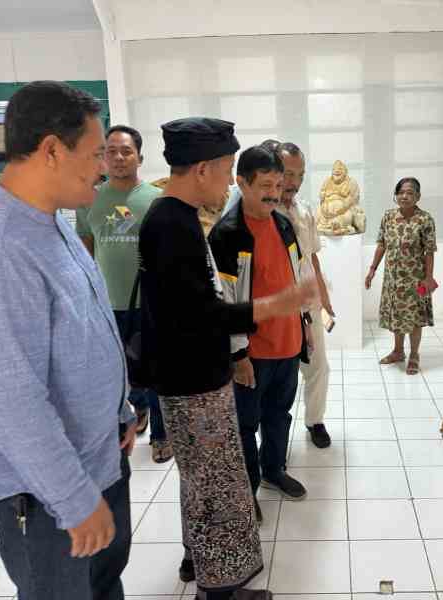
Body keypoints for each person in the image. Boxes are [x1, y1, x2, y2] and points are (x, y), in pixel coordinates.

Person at [0, 80, 135, 600]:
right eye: (95, 153)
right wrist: (73, 499)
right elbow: (11, 400)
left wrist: (118, 412)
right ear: (52, 150)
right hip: (44, 493)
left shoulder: (51, 222)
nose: (103, 166)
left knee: (103, 587)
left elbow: (85, 328)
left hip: (95, 461)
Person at [139, 118, 315, 599]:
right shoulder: (171, 225)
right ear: (203, 169)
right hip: (191, 382)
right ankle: (217, 590)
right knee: (215, 488)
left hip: (198, 375)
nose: (226, 184)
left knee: (210, 485)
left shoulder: (179, 218)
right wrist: (273, 307)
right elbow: (204, 313)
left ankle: (217, 578)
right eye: (225, 171)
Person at [209, 146, 311, 503]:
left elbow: (297, 277)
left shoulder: (283, 225)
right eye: (266, 185)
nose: (274, 193)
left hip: (288, 345)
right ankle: (246, 492)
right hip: (253, 353)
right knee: (245, 426)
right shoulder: (227, 235)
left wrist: (305, 323)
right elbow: (225, 301)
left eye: (279, 185)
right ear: (242, 183)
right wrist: (238, 356)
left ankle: (273, 470)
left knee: (279, 415)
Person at [76, 125, 171, 462]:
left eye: (126, 151)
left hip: (150, 302)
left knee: (156, 369)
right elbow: (85, 251)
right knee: (121, 370)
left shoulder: (156, 200)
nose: (118, 157)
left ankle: (161, 435)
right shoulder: (88, 199)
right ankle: (137, 408)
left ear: (139, 158)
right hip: (107, 304)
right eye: (111, 151)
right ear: (103, 157)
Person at [274, 142, 334, 448]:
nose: (294, 182)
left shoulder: (304, 211)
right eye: (288, 173)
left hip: (308, 304)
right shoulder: (263, 213)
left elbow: (312, 258)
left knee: (318, 366)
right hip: (278, 309)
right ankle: (274, 436)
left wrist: (325, 299)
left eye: (300, 175)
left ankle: (315, 421)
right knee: (282, 376)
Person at [365, 177, 437, 375]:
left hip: (416, 280)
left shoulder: (425, 220)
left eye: (410, 193)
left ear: (418, 196)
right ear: (396, 195)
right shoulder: (388, 217)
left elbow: (429, 251)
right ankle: (398, 351)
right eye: (401, 192)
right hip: (393, 279)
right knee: (396, 315)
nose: (405, 196)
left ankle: (414, 355)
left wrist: (428, 278)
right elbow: (382, 244)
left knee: (414, 318)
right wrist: (372, 269)